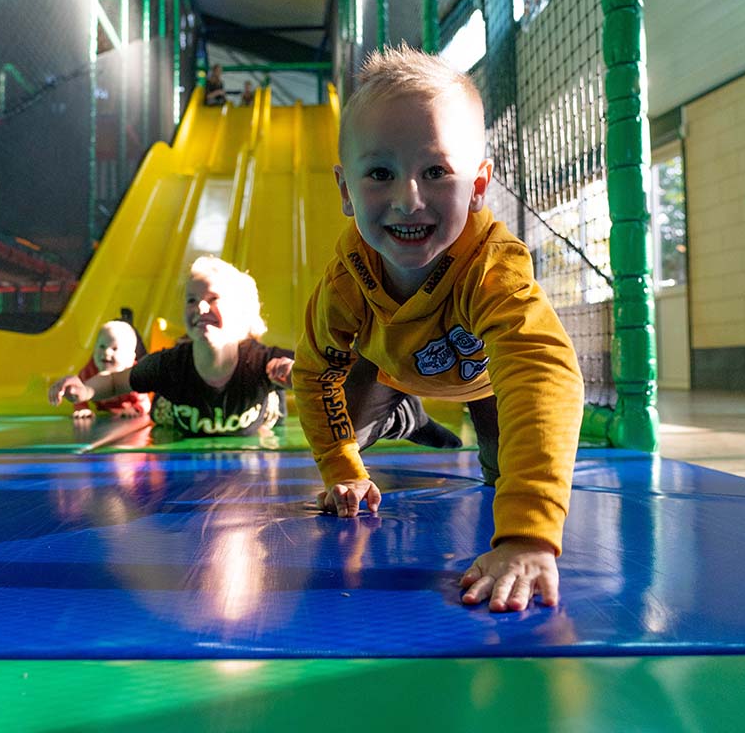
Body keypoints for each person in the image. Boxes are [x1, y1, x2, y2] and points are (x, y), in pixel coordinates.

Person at [292, 44, 584, 613]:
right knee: (343, 425)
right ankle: (402, 411)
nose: (409, 199)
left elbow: (541, 373)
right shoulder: (347, 281)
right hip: (391, 368)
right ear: (346, 190)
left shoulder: (490, 268)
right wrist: (341, 468)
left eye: (435, 171)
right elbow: (314, 371)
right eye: (380, 173)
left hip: (489, 384)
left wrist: (527, 535)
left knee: (505, 475)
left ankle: (420, 416)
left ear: (477, 187)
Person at [50, 256, 294, 438]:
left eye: (213, 299)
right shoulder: (169, 365)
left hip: (250, 409)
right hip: (180, 411)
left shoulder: (262, 361)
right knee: (162, 410)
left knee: (275, 394)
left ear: (240, 311)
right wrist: (84, 390)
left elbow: (321, 370)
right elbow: (116, 382)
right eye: (191, 300)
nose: (200, 308)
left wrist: (295, 373)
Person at [56, 320, 151, 419]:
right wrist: (81, 408)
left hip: (125, 416)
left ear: (130, 358)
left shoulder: (133, 376)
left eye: (115, 349)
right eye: (102, 346)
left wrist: (135, 409)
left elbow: (145, 403)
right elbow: (79, 393)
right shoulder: (89, 370)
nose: (106, 353)